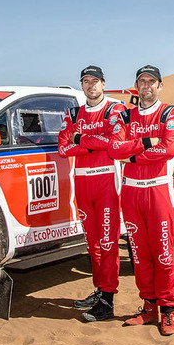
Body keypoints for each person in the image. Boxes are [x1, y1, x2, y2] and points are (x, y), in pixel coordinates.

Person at [107, 65, 174, 335]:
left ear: (160, 86)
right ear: (136, 86)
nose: (146, 86)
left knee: (163, 254)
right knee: (139, 255)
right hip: (131, 192)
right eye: (142, 81)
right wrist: (149, 143)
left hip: (159, 190)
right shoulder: (125, 116)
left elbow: (169, 148)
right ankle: (149, 307)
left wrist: (134, 152)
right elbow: (114, 148)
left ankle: (168, 311)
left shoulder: (171, 114)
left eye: (152, 81)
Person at [58, 65, 126, 322]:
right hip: (82, 184)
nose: (90, 85)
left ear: (103, 84)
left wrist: (80, 139)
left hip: (107, 181)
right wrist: (89, 142)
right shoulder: (74, 112)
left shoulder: (114, 109)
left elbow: (115, 142)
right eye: (85, 81)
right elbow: (63, 148)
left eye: (94, 80)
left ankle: (108, 301)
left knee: (108, 243)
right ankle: (100, 290)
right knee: (93, 244)